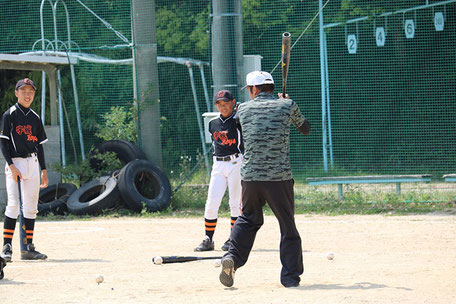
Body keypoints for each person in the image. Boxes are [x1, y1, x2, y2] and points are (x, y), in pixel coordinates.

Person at [219, 71, 310, 288]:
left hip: (250, 177)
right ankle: (289, 277)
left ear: (254, 89)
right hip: (279, 178)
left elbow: (245, 129)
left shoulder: (242, 109)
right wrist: (287, 104)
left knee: (248, 219)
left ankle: (232, 256)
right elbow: (305, 129)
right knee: (287, 225)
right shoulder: (287, 105)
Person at [0, 78, 49, 262]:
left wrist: (43, 170)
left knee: (31, 208)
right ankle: (7, 247)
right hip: (16, 163)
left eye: (31, 91)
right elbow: (3, 143)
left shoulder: (35, 117)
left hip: (32, 163)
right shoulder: (9, 115)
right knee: (13, 205)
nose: (27, 95)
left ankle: (28, 248)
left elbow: (40, 145)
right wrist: (11, 166)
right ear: (16, 93)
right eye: (24, 91)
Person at [194, 90, 243, 252]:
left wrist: (240, 111)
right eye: (220, 104)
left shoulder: (238, 121)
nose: (223, 107)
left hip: (236, 162)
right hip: (218, 165)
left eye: (226, 103)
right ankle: (208, 239)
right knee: (211, 203)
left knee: (235, 203)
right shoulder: (213, 123)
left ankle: (233, 239)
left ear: (233, 103)